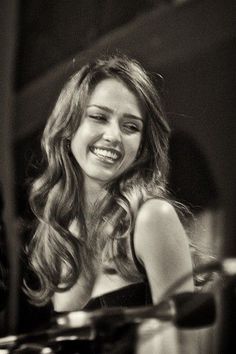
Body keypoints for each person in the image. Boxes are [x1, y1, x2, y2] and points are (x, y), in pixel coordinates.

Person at [24, 54, 195, 352]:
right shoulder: (60, 232)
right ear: (68, 128)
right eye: (99, 117)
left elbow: (184, 346)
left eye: (130, 127)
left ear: (142, 146)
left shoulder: (152, 218)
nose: (113, 136)